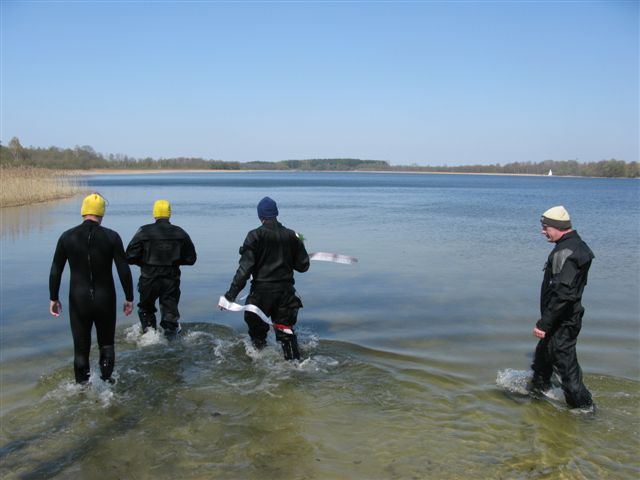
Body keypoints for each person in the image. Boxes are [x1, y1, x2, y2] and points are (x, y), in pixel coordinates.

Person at [49, 193, 134, 384]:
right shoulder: (112, 236)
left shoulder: (67, 237)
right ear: (101, 213)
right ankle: (106, 388)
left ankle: (81, 391)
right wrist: (129, 298)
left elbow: (56, 270)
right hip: (105, 299)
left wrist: (53, 298)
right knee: (107, 345)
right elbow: (123, 269)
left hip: (79, 300)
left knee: (80, 350)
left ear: (83, 212)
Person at [221, 197, 310, 360]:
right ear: (276, 214)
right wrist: (300, 245)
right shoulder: (293, 236)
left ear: (260, 216)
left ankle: (260, 366)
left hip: (260, 296)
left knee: (258, 339)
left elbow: (244, 269)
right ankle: (296, 368)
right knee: (287, 335)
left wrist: (230, 296)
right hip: (286, 295)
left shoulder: (254, 236)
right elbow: (303, 266)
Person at [529, 205, 594, 409]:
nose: (542, 230)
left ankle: (584, 409)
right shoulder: (572, 246)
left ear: (559, 227)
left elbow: (565, 294)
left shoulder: (567, 252)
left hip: (562, 321)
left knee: (567, 369)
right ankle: (537, 393)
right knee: (542, 360)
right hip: (558, 318)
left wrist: (544, 323)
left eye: (545, 226)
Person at [126, 199, 197, 338]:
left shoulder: (143, 231)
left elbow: (129, 256)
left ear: (155, 214)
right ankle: (170, 339)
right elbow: (191, 259)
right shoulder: (180, 232)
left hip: (148, 279)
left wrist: (145, 263)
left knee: (146, 309)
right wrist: (174, 261)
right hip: (171, 280)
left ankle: (149, 337)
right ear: (169, 214)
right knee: (170, 313)